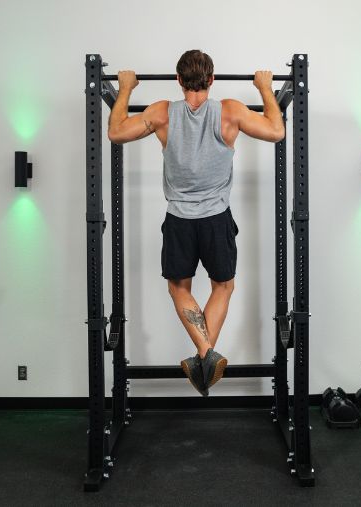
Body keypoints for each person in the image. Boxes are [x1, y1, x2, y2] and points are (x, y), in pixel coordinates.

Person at [107, 49, 285, 396]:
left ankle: (205, 356)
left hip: (179, 221)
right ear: (212, 79)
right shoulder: (230, 111)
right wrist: (265, 88)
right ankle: (207, 356)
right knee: (223, 286)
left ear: (177, 79)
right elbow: (277, 131)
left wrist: (126, 88)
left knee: (179, 289)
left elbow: (115, 133)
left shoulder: (161, 113)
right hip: (217, 219)